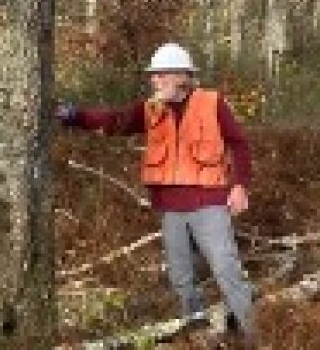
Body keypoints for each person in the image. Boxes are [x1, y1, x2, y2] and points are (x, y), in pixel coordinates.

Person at [58, 42, 257, 346]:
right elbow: (114, 121)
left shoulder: (211, 103)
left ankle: (253, 334)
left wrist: (240, 185)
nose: (155, 80)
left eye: (161, 75)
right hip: (171, 208)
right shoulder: (151, 109)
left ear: (182, 76)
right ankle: (197, 332)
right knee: (181, 277)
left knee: (226, 268)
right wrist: (76, 117)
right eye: (153, 75)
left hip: (210, 203)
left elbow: (239, 143)